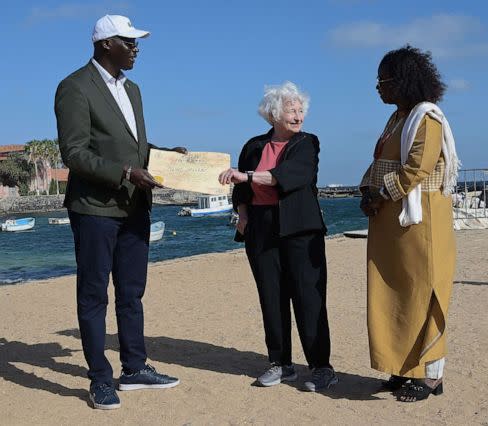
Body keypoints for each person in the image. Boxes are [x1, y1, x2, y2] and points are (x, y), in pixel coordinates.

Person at [54, 15, 186, 410]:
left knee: (132, 293)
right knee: (94, 295)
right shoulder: (74, 87)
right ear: (105, 44)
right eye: (128, 41)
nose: (136, 47)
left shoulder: (135, 90)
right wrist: (126, 172)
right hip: (94, 208)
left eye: (136, 41)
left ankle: (135, 368)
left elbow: (133, 148)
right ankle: (99, 379)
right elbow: (74, 153)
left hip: (134, 207)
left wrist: (166, 158)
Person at [218, 82, 337, 392]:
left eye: (300, 110)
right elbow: (241, 190)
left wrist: (246, 176)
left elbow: (289, 177)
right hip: (261, 229)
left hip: (300, 230)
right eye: (291, 110)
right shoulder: (253, 146)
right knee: (271, 297)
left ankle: (321, 367)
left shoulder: (308, 144)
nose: (298, 116)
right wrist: (243, 214)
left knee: (308, 298)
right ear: (273, 114)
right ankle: (281, 363)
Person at [359, 45, 459, 402]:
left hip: (420, 220)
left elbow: (417, 167)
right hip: (392, 221)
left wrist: (379, 194)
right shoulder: (398, 118)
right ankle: (402, 368)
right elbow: (382, 160)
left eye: (383, 81)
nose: (378, 87)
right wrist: (365, 189)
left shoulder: (426, 118)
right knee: (395, 293)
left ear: (402, 82)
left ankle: (431, 375)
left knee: (424, 290)